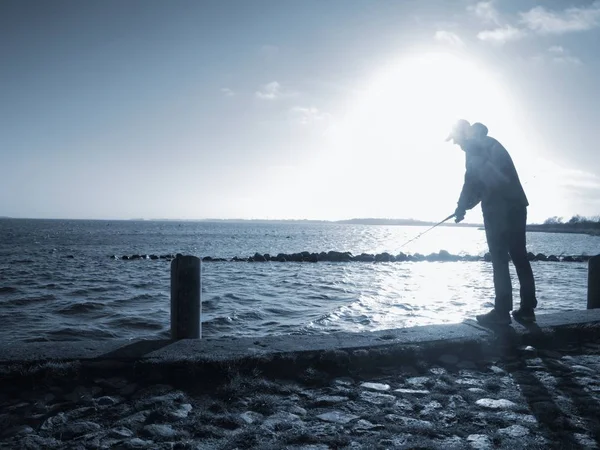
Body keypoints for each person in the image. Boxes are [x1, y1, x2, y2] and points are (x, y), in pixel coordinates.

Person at [446, 119, 537, 326]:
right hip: (516, 205)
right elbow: (487, 179)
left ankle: (502, 312)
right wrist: (466, 206)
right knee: (519, 256)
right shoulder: (489, 142)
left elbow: (472, 181)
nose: (455, 144)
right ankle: (527, 310)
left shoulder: (473, 146)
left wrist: (461, 207)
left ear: (464, 133)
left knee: (499, 259)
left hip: (498, 209)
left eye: (455, 139)